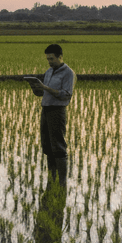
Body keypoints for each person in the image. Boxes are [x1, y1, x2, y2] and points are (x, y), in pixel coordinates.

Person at [28, 44, 75, 188]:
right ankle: (51, 176)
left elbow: (66, 94)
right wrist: (36, 88)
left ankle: (62, 181)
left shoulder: (69, 73)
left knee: (58, 145)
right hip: (46, 109)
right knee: (47, 145)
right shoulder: (49, 71)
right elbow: (44, 92)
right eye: (48, 59)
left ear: (60, 57)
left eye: (52, 59)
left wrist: (45, 88)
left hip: (57, 110)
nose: (49, 61)